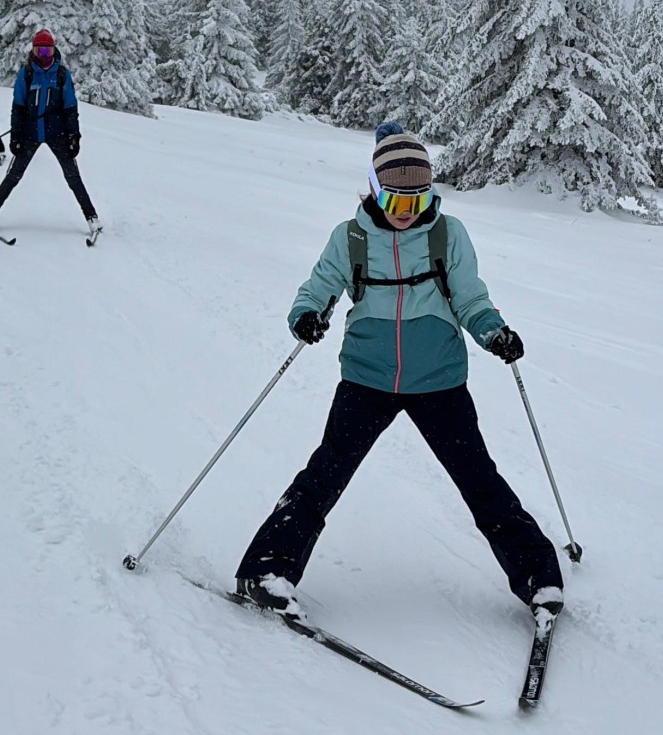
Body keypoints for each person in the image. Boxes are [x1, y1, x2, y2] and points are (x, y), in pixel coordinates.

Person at [236, 124, 563, 625]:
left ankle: (539, 577)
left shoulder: (447, 234)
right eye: (395, 200)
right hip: (367, 379)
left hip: (439, 381)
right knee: (324, 476)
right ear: (374, 189)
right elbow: (317, 288)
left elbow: (471, 298)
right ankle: (265, 571)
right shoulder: (349, 238)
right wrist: (306, 315)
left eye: (418, 200)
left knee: (480, 481)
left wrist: (493, 331)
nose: (406, 211)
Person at [0, 29, 101, 237]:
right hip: (30, 133)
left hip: (57, 133)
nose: (44, 55)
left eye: (47, 50)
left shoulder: (61, 74)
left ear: (54, 50)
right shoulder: (26, 73)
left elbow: (70, 107)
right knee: (14, 175)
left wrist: (74, 136)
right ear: (33, 51)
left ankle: (92, 218)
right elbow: (18, 107)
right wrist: (16, 136)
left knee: (73, 177)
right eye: (39, 51)